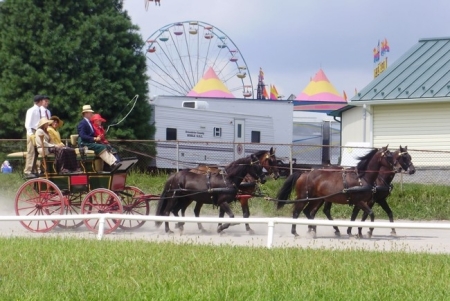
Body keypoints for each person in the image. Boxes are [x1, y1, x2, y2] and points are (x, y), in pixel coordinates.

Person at [77, 105, 121, 171]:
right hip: (84, 143)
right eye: (90, 112)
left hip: (89, 142)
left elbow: (92, 134)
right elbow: (82, 135)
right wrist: (94, 139)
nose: (92, 114)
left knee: (105, 146)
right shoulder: (82, 123)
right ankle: (113, 164)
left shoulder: (89, 123)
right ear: (86, 113)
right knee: (101, 147)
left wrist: (97, 137)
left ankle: (112, 164)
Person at [23, 95, 45, 177]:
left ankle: (34, 169)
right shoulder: (31, 110)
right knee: (31, 151)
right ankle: (28, 171)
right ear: (39, 101)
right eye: (42, 101)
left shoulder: (39, 110)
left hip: (37, 131)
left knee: (37, 151)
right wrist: (30, 133)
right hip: (32, 131)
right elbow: (27, 123)